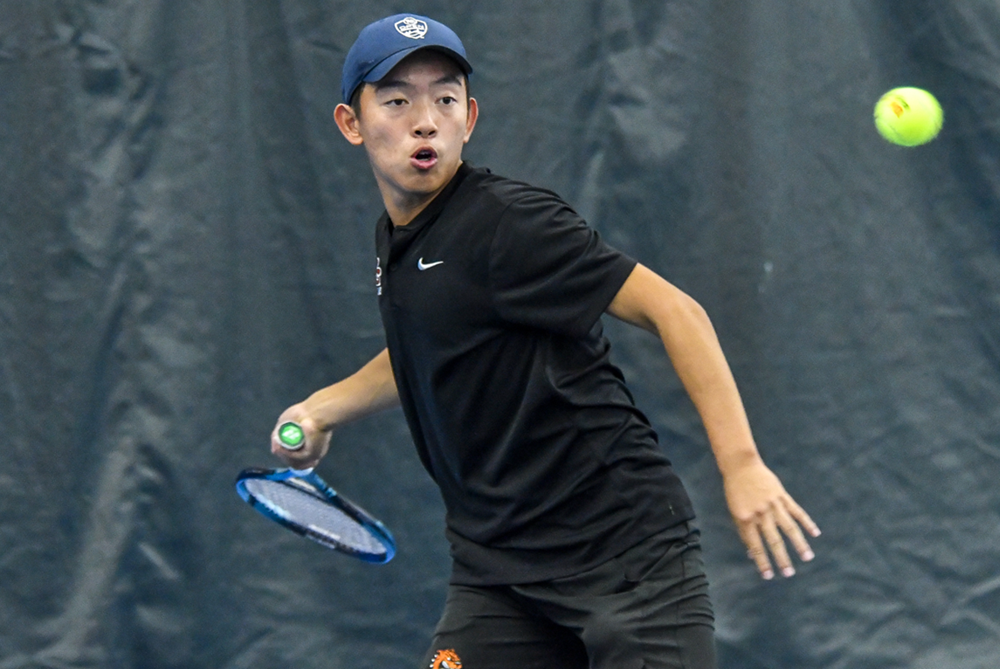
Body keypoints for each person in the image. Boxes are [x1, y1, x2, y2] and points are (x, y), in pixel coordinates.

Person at [271, 13, 820, 669]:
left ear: (469, 118)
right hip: (498, 572)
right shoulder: (399, 238)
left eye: (445, 99)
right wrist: (321, 407)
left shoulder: (511, 222)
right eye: (397, 100)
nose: (425, 120)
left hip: (626, 559)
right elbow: (429, 343)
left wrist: (742, 465)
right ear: (351, 123)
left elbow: (679, 313)